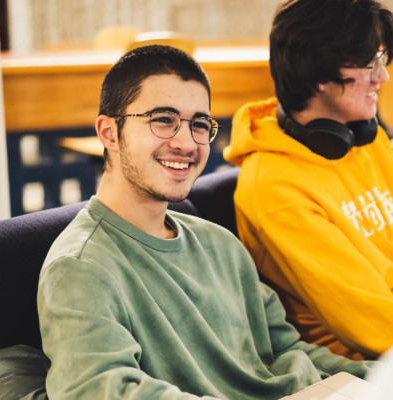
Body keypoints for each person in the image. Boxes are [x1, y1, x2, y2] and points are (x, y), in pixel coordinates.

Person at [37, 45, 373, 400]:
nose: (186, 142)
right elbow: (98, 389)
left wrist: (389, 375)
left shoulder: (220, 243)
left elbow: (290, 351)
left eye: (199, 124)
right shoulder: (79, 269)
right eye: (162, 119)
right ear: (108, 132)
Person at [223, 0, 393, 360]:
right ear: (320, 77)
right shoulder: (275, 190)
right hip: (382, 358)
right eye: (370, 64)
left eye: (381, 60)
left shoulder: (364, 139)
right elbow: (372, 323)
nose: (383, 77)